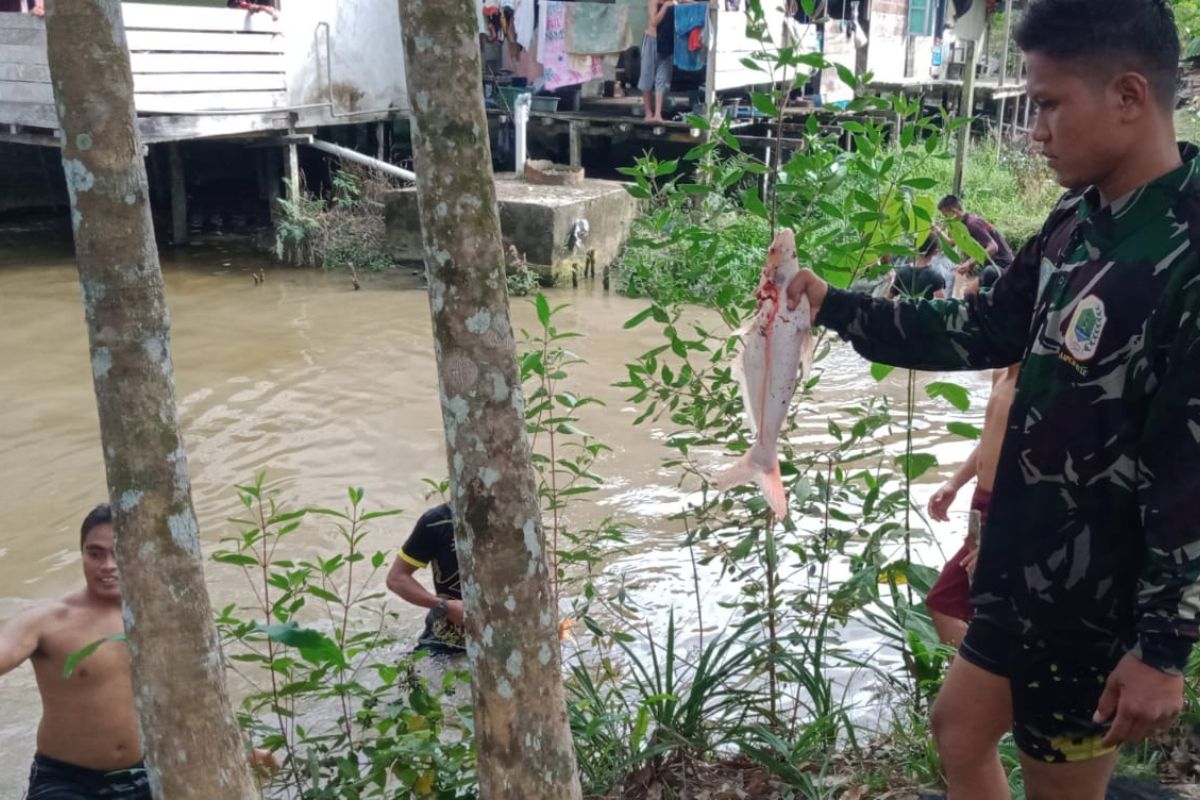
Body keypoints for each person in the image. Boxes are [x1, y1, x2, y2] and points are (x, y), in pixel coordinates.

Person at [785, 1, 1197, 796]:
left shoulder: (1187, 256)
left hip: (1095, 602)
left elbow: (1190, 478)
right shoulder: (1077, 222)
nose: (1034, 130)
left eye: (1047, 104)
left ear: (1128, 96)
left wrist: (1162, 651)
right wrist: (833, 305)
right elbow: (979, 328)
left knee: (1057, 789)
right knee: (958, 729)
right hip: (1018, 565)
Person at [0, 505, 147, 798]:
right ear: (81, 554)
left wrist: (238, 745)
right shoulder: (48, 620)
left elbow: (199, 693)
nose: (107, 565)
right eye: (95, 553)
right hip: (66, 781)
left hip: (149, 772)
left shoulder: (162, 618)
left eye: (119, 552)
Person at [925, 363, 1020, 647]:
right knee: (954, 602)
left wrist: (1004, 537)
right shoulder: (1001, 374)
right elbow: (988, 438)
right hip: (980, 504)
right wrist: (954, 483)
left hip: (1009, 506)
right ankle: (974, 681)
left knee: (953, 601)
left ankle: (979, 683)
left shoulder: (1036, 383)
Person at [386, 503, 466, 655]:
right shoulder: (438, 520)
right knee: (415, 676)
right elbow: (396, 578)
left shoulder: (520, 518)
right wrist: (444, 607)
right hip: (445, 640)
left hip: (510, 639)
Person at [937, 194, 1014, 288]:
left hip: (1001, 267)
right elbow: (952, 242)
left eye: (945, 216)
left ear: (954, 212)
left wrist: (970, 263)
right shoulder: (965, 225)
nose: (945, 219)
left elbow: (993, 247)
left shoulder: (972, 224)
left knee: (971, 293)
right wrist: (936, 228)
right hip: (993, 266)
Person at [638, 0, 676, 123]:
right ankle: (648, 112)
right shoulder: (654, 1)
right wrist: (665, 7)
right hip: (652, 40)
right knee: (647, 75)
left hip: (667, 42)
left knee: (662, 77)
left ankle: (658, 114)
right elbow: (653, 23)